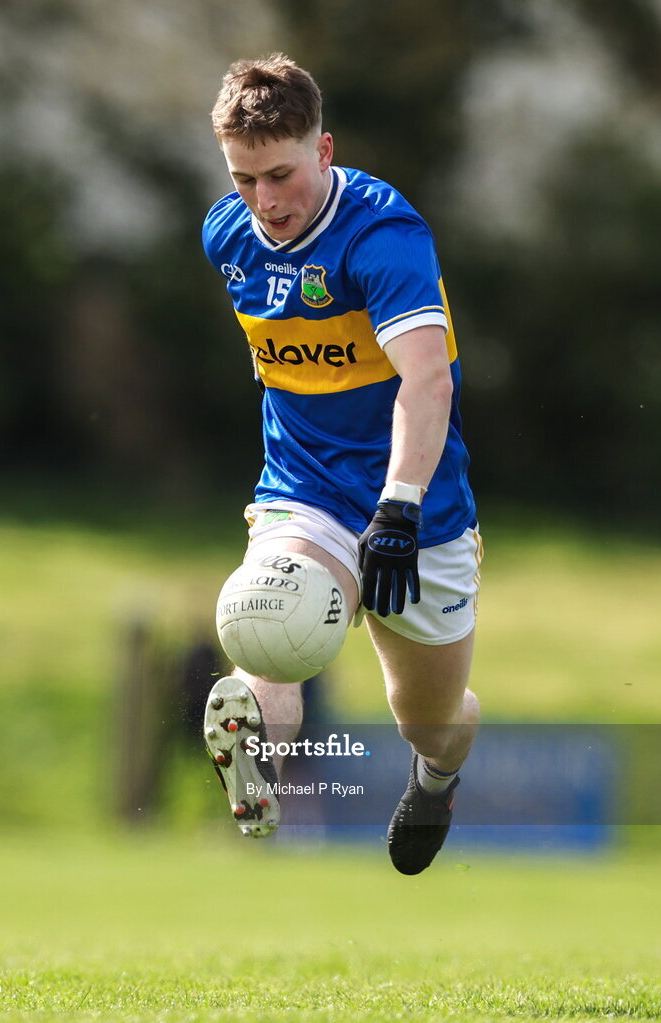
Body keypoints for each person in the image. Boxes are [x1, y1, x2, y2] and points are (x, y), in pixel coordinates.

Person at [201, 53, 483, 875]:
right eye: (244, 178)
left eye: (281, 174)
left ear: (323, 151)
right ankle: (254, 747)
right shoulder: (226, 232)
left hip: (417, 504)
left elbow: (425, 380)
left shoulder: (382, 237)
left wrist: (398, 506)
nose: (264, 201)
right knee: (269, 625)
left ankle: (436, 777)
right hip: (305, 492)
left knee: (428, 716)